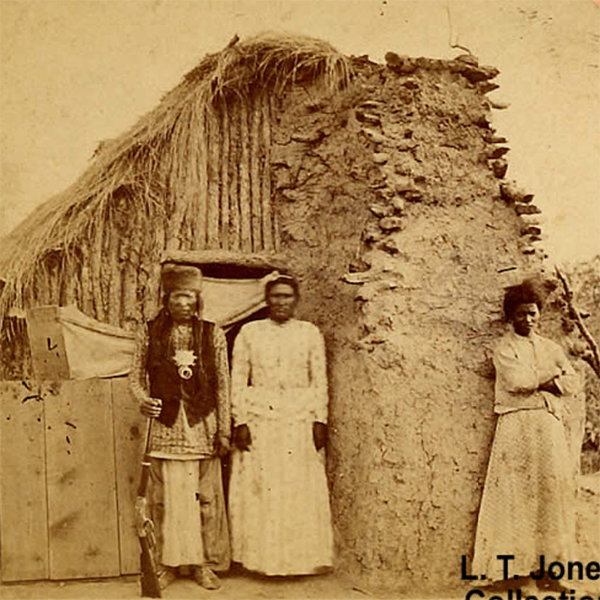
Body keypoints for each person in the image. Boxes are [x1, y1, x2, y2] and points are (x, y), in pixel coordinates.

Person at [472, 280, 579, 592]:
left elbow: (572, 384)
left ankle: (549, 573)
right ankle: (511, 573)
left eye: (532, 313)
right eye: (520, 315)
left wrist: (545, 381)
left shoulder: (551, 348)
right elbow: (517, 381)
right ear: (510, 318)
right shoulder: (504, 349)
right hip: (516, 427)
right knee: (514, 497)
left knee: (549, 496)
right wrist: (550, 378)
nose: (528, 320)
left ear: (539, 314)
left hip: (548, 427)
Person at [130, 261, 231, 591]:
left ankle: (203, 564)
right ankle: (166, 564)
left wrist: (224, 430)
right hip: (165, 427)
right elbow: (134, 378)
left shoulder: (212, 334)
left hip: (202, 426)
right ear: (166, 299)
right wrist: (143, 400)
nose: (182, 304)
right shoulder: (150, 332)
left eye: (188, 297)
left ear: (198, 299)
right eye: (175, 297)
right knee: (164, 500)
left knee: (203, 500)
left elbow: (223, 386)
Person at [228, 274, 334, 575]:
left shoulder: (309, 332)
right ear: (266, 300)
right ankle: (260, 561)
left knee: (296, 488)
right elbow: (238, 378)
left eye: (287, 296)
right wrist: (241, 420)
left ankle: (298, 561)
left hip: (297, 418)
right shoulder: (250, 332)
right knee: (263, 488)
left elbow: (319, 379)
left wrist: (319, 418)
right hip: (261, 417)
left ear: (296, 300)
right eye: (275, 296)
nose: (281, 302)